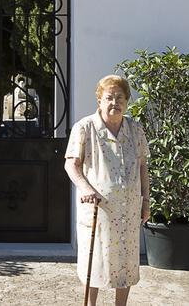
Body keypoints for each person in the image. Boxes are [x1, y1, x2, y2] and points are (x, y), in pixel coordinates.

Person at [64, 74, 151, 306]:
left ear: (127, 101)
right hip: (98, 210)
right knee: (95, 262)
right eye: (109, 97)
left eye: (120, 97)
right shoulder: (85, 127)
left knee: (126, 263)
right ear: (99, 100)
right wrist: (85, 188)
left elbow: (143, 166)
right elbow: (70, 164)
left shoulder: (135, 129)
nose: (115, 102)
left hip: (128, 211)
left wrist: (146, 203)